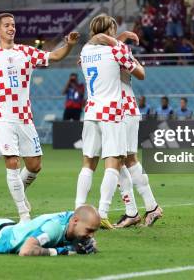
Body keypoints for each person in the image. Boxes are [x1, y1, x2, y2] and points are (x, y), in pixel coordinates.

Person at [0, 13, 80, 222]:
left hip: (24, 116)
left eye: (13, 25)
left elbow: (53, 57)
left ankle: (19, 192)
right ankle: (23, 214)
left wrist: (70, 45)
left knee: (35, 166)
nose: (12, 28)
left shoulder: (25, 52)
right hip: (1, 114)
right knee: (12, 161)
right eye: (7, 25)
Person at [75, 14, 145, 229]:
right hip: (112, 111)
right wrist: (119, 42)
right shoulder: (116, 50)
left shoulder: (85, 51)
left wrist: (116, 38)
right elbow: (141, 74)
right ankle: (103, 213)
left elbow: (94, 43)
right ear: (111, 30)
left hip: (91, 111)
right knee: (113, 162)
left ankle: (78, 210)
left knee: (88, 163)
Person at [90, 30, 162, 228]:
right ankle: (139, 210)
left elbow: (141, 73)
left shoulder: (116, 52)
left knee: (122, 159)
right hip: (119, 109)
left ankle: (147, 207)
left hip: (122, 109)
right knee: (125, 160)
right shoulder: (103, 53)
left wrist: (122, 45)